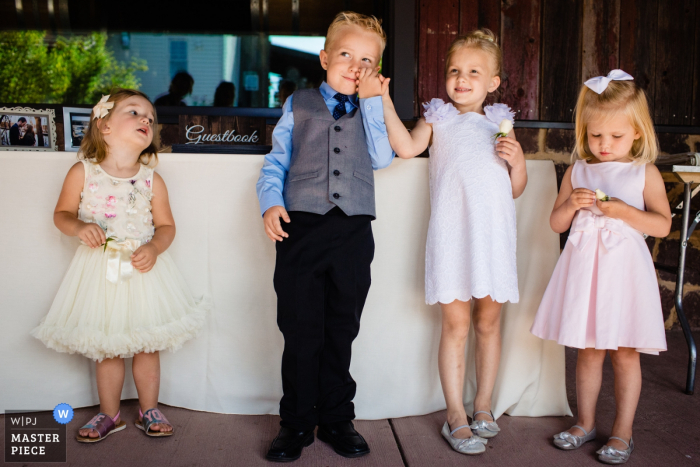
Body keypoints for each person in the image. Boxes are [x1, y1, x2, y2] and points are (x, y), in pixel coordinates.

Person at [379, 30, 528, 455]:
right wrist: (384, 101)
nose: (461, 79)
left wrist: (517, 163)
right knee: (457, 325)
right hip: (453, 236)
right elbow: (407, 148)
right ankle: (455, 415)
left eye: (473, 72)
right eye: (454, 71)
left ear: (493, 82)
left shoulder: (500, 124)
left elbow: (514, 189)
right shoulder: (437, 118)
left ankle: (483, 406)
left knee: (488, 323)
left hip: (493, 237)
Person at [31, 89, 208, 443]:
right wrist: (80, 227)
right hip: (100, 272)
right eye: (134, 111)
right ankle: (108, 413)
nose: (146, 119)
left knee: (147, 342)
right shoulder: (82, 172)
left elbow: (168, 226)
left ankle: (148, 408)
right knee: (107, 344)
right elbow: (61, 215)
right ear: (104, 125)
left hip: (143, 271)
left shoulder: (151, 179)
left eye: (150, 118)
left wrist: (155, 248)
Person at [256, 11, 394, 462]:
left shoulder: (373, 109)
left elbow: (381, 157)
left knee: (341, 329)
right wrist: (270, 202)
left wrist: (374, 102)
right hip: (303, 229)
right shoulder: (297, 103)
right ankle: (295, 423)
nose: (356, 66)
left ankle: (337, 417)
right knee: (300, 331)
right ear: (324, 57)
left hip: (354, 231)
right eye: (347, 55)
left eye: (368, 61)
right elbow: (275, 162)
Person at [530, 71, 671, 464]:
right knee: (588, 350)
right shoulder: (578, 171)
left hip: (624, 276)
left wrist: (626, 210)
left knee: (625, 353)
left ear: (638, 133)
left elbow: (662, 224)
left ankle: (623, 431)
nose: (604, 145)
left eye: (616, 137)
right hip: (585, 275)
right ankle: (585, 422)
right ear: (584, 131)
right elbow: (556, 224)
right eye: (595, 136)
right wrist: (571, 205)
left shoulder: (644, 173)